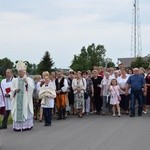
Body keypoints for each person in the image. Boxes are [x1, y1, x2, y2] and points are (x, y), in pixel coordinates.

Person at [11, 61, 34, 131]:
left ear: (24, 72)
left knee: (26, 111)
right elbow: (12, 89)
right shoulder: (14, 80)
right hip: (17, 99)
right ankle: (17, 127)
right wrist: (15, 90)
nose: (19, 73)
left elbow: (31, 88)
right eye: (18, 71)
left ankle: (26, 126)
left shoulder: (29, 79)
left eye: (20, 71)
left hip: (26, 99)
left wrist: (27, 84)